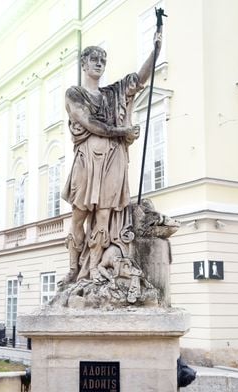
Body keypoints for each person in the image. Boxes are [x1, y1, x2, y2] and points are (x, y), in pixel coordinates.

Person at [60, 32, 162, 284]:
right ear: (83, 64)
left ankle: (94, 267)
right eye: (93, 59)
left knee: (104, 215)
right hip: (87, 159)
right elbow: (89, 122)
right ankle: (74, 268)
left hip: (113, 159)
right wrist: (122, 131)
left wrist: (156, 50)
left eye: (102, 60)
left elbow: (138, 80)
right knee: (79, 215)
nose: (98, 63)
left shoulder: (111, 94)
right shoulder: (74, 94)